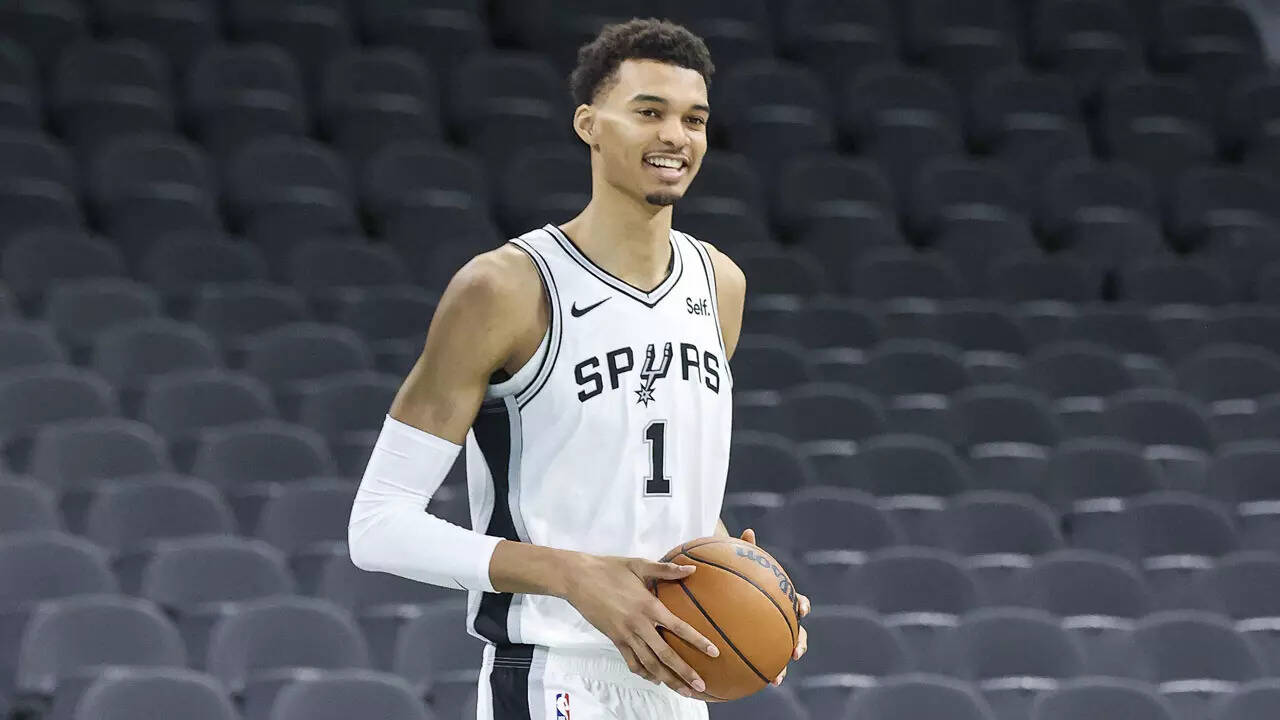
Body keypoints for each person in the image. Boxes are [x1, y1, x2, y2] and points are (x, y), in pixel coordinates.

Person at [348, 17, 809, 720]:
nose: (675, 136)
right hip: (551, 675)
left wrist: (741, 579)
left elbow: (644, 483)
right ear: (589, 124)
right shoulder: (505, 288)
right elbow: (377, 525)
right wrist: (572, 575)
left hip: (676, 683)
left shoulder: (720, 285)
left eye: (693, 119)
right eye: (648, 112)